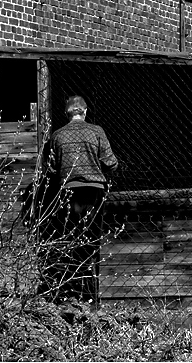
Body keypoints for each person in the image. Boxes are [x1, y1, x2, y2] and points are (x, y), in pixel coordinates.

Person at [41, 95, 118, 304]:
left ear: (67, 114)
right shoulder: (96, 131)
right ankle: (93, 296)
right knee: (92, 241)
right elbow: (111, 163)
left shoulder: (57, 135)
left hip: (69, 192)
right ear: (84, 111)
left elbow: (51, 168)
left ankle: (73, 294)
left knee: (73, 240)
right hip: (94, 191)